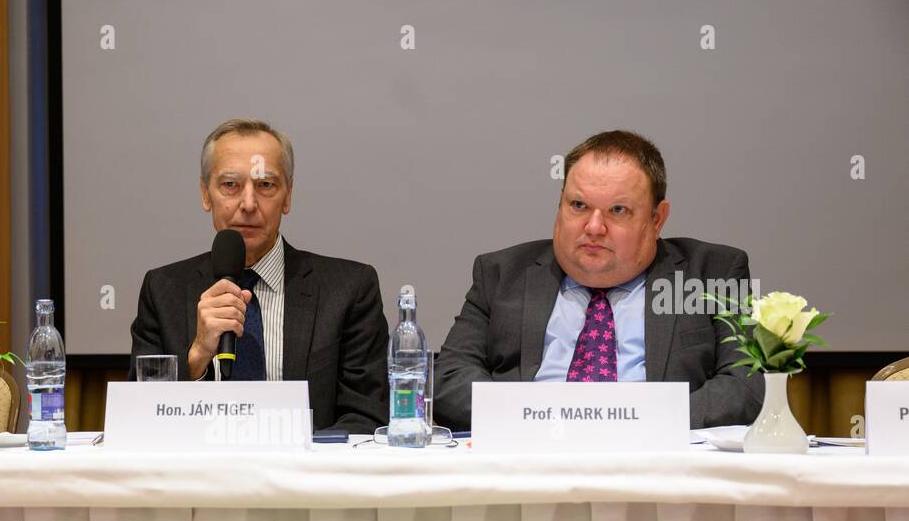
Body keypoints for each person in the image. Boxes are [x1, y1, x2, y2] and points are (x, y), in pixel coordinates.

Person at [434, 129, 763, 431]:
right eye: (578, 205)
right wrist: (536, 420)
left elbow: (743, 387)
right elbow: (450, 379)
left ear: (657, 218)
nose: (593, 227)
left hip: (655, 465)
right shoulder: (502, 273)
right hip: (530, 460)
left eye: (618, 210)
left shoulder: (711, 274)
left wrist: (635, 424)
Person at [128, 118, 389, 433]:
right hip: (198, 478)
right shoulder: (163, 290)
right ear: (205, 194)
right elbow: (140, 421)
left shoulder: (349, 288)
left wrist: (294, 461)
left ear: (288, 196)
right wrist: (196, 358)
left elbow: (366, 417)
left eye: (266, 185)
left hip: (305, 476)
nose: (248, 204)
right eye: (230, 185)